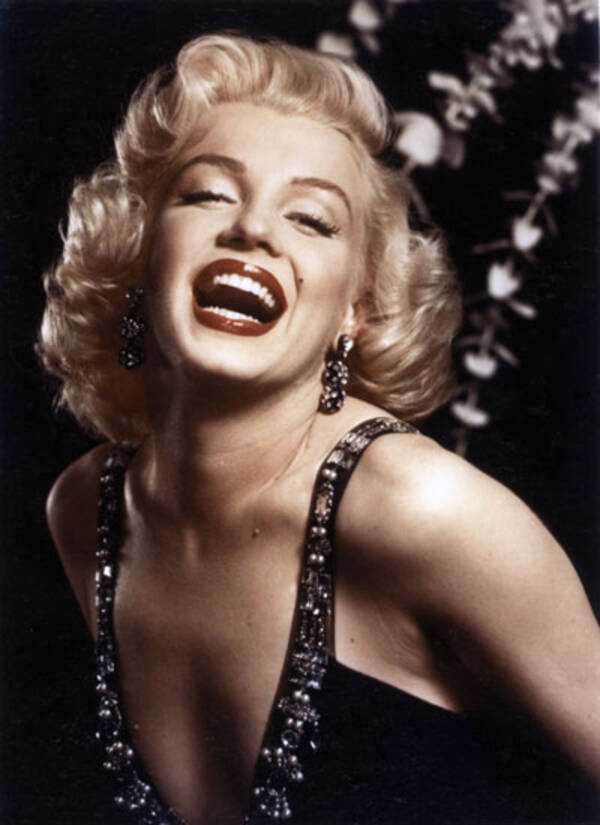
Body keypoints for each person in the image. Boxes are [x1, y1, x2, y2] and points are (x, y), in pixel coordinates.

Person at [39, 33, 599, 825]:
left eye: (310, 217)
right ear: (140, 256)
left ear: (352, 313)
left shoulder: (425, 511)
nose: (254, 229)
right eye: (207, 194)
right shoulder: (84, 509)